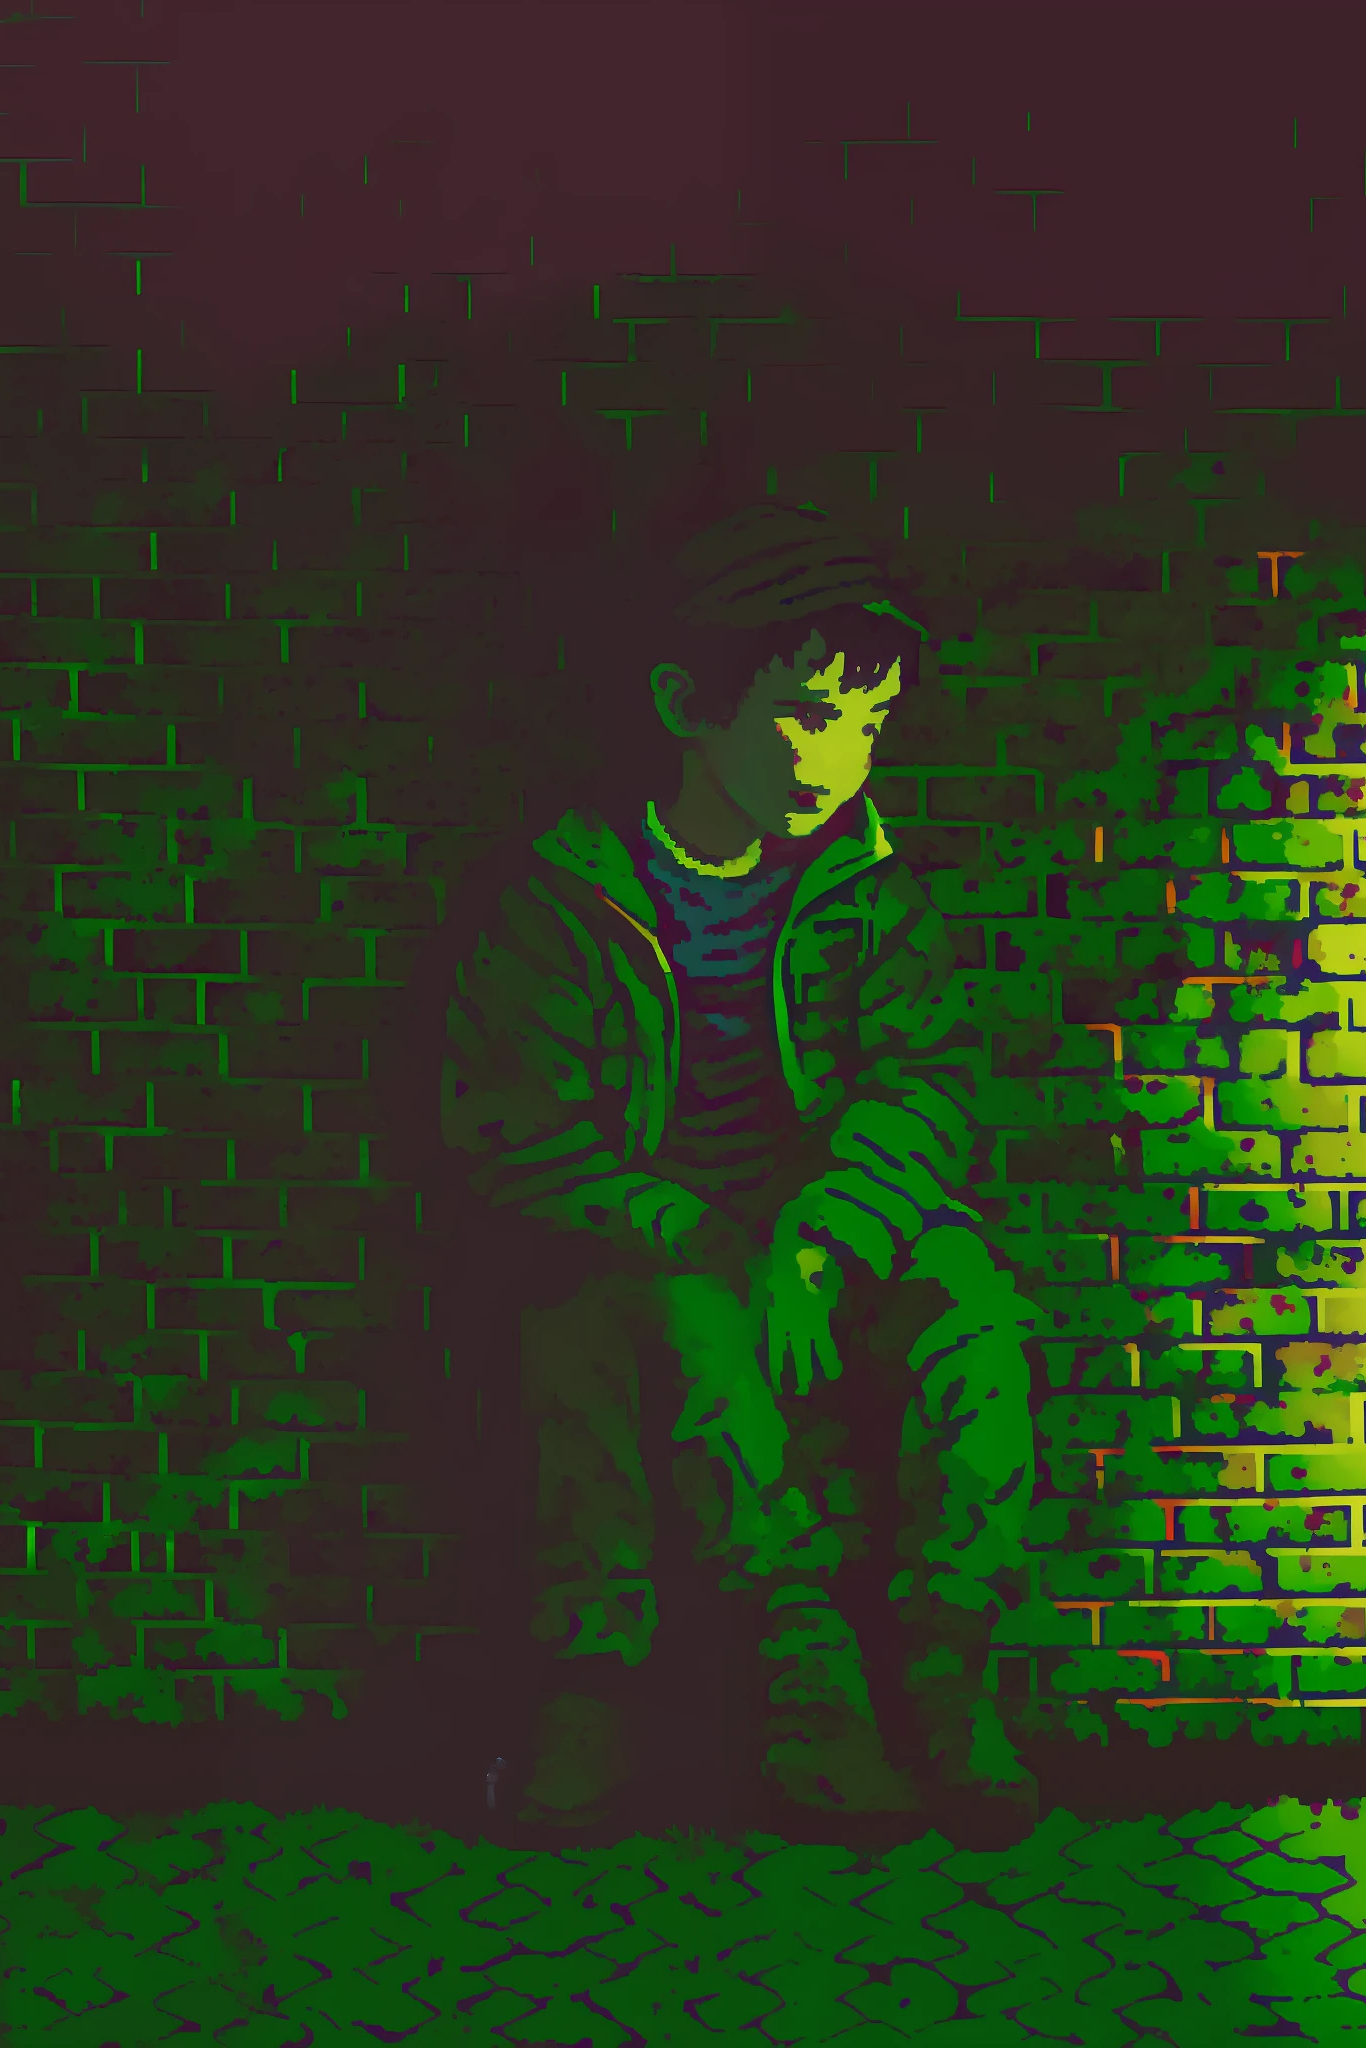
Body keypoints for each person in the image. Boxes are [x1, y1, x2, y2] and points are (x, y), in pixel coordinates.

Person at [438, 496, 1048, 1849]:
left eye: (870, 726)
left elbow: (923, 1086)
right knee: (665, 1322)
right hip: (649, 1250)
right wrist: (694, 1227)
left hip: (824, 1234)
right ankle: (792, 1681)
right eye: (807, 717)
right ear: (686, 706)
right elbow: (511, 1125)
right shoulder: (567, 900)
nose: (842, 760)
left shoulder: (871, 893)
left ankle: (950, 1676)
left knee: (976, 1310)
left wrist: (826, 1236)